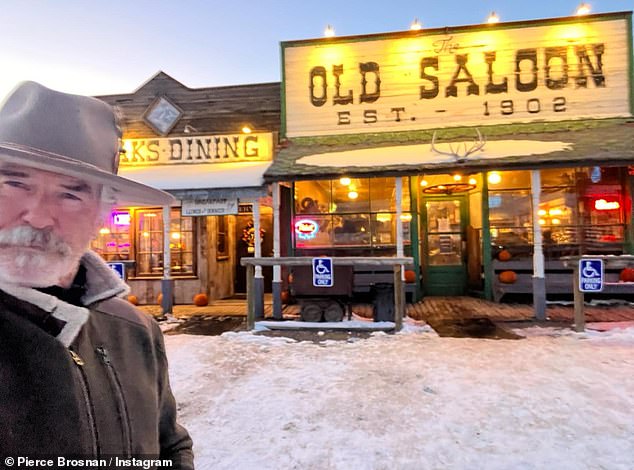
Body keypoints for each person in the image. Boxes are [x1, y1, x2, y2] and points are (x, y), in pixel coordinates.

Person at [0, 82, 194, 467]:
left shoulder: (135, 331)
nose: (38, 216)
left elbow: (170, 447)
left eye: (71, 194)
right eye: (13, 183)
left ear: (102, 213)